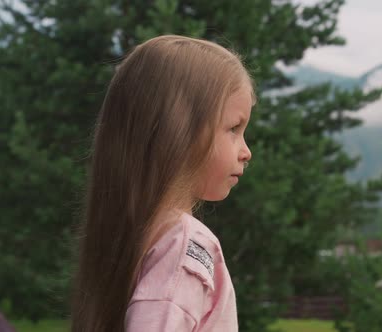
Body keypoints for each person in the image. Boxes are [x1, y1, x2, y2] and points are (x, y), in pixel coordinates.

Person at [71, 35, 254, 332]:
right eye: (233, 128)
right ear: (179, 133)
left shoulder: (128, 238)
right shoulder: (184, 244)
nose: (246, 152)